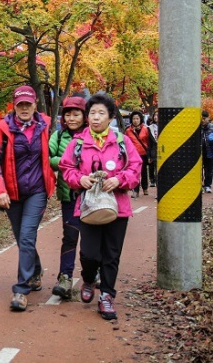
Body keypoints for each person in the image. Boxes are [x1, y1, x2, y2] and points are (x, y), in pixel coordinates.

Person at [59, 93, 142, 321]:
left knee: (111, 254)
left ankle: (107, 295)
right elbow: (67, 168)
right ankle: (88, 278)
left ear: (111, 117)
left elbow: (135, 167)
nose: (96, 118)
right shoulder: (78, 143)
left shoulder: (122, 141)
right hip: (88, 207)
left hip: (118, 207)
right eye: (92, 113)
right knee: (89, 253)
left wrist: (119, 180)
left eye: (101, 113)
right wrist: (79, 179)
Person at [0, 85, 56, 311]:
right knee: (21, 237)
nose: (24, 108)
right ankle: (35, 270)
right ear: (14, 106)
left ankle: (21, 290)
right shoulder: (3, 128)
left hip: (37, 190)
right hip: (11, 193)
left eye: (28, 104)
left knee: (26, 236)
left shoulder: (45, 126)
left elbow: (53, 153)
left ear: (35, 104)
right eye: (20, 104)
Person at [48, 95, 87, 300]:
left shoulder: (92, 134)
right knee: (70, 236)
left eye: (76, 114)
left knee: (91, 238)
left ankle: (91, 275)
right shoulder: (59, 135)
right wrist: (67, 162)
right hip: (69, 194)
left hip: (92, 196)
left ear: (84, 115)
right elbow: (48, 157)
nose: (72, 118)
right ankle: (65, 277)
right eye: (68, 114)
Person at [125, 111, 156, 198]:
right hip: (133, 155)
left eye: (137, 118)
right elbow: (126, 143)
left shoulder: (146, 129)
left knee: (143, 172)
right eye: (134, 118)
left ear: (140, 119)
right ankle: (136, 191)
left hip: (144, 154)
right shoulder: (128, 131)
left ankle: (145, 188)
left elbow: (149, 143)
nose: (135, 120)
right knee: (135, 172)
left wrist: (150, 155)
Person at [147, 111, 159, 187]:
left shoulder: (165, 126)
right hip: (154, 151)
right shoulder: (150, 128)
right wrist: (149, 155)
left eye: (158, 115)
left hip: (163, 149)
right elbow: (149, 143)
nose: (156, 117)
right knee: (155, 168)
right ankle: (154, 181)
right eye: (155, 115)